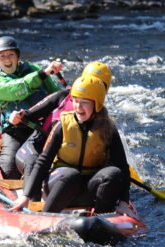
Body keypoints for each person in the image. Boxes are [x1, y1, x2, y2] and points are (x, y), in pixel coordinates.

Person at [11, 75, 131, 214]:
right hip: (59, 183)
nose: (78, 107)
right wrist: (26, 196)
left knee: (113, 173)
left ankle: (101, 218)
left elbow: (122, 166)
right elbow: (43, 162)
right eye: (75, 101)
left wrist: (124, 201)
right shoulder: (63, 125)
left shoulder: (108, 128)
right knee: (71, 175)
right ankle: (47, 216)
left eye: (84, 102)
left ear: (97, 104)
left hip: (87, 187)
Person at [10, 62, 112, 199]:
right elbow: (29, 115)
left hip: (64, 162)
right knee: (34, 161)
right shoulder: (62, 96)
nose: (93, 86)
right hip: (38, 148)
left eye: (100, 85)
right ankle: (30, 199)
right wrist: (17, 116)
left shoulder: (101, 116)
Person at [0, 36, 62, 179]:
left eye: (11, 55)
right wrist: (43, 73)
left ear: (18, 56)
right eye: (2, 56)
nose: (7, 60)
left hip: (40, 128)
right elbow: (17, 88)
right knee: (9, 171)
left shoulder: (33, 69)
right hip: (14, 130)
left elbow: (55, 95)